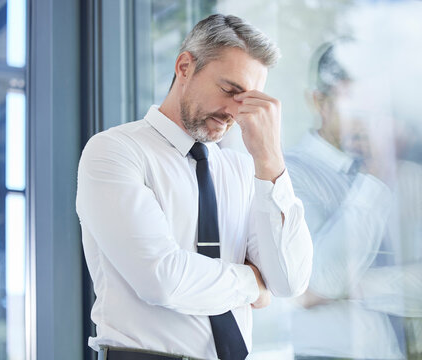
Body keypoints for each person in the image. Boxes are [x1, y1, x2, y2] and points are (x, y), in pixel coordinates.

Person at [76, 14, 313, 360]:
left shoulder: (244, 170)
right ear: (185, 67)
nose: (235, 111)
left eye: (246, 99)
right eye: (230, 90)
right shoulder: (115, 151)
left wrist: (271, 161)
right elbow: (162, 278)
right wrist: (251, 283)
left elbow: (289, 280)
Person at [285, 43, 422, 359]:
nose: (367, 120)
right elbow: (325, 277)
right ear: (318, 102)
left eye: (377, 107)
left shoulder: (411, 179)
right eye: (354, 105)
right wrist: (375, 176)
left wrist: (361, 287)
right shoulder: (285, 174)